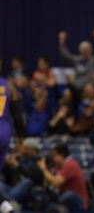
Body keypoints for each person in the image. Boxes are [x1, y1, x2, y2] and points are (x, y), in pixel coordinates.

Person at [0, 54, 27, 213]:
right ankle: (6, 208)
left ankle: (7, 208)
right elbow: (18, 115)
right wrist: (21, 138)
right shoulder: (9, 85)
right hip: (5, 130)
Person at [37, 145, 88, 212]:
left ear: (62, 155)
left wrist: (44, 169)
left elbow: (55, 183)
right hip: (62, 197)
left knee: (68, 195)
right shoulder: (58, 166)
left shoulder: (71, 165)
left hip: (77, 200)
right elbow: (48, 183)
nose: (52, 158)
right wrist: (47, 168)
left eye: (54, 156)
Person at [0, 138, 44, 208]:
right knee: (1, 185)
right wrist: (7, 166)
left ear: (33, 150)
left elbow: (32, 176)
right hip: (14, 188)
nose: (23, 151)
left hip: (29, 190)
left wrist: (16, 165)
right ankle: (7, 201)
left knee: (27, 181)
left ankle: (6, 201)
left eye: (26, 149)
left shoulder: (38, 161)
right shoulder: (21, 159)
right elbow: (7, 178)